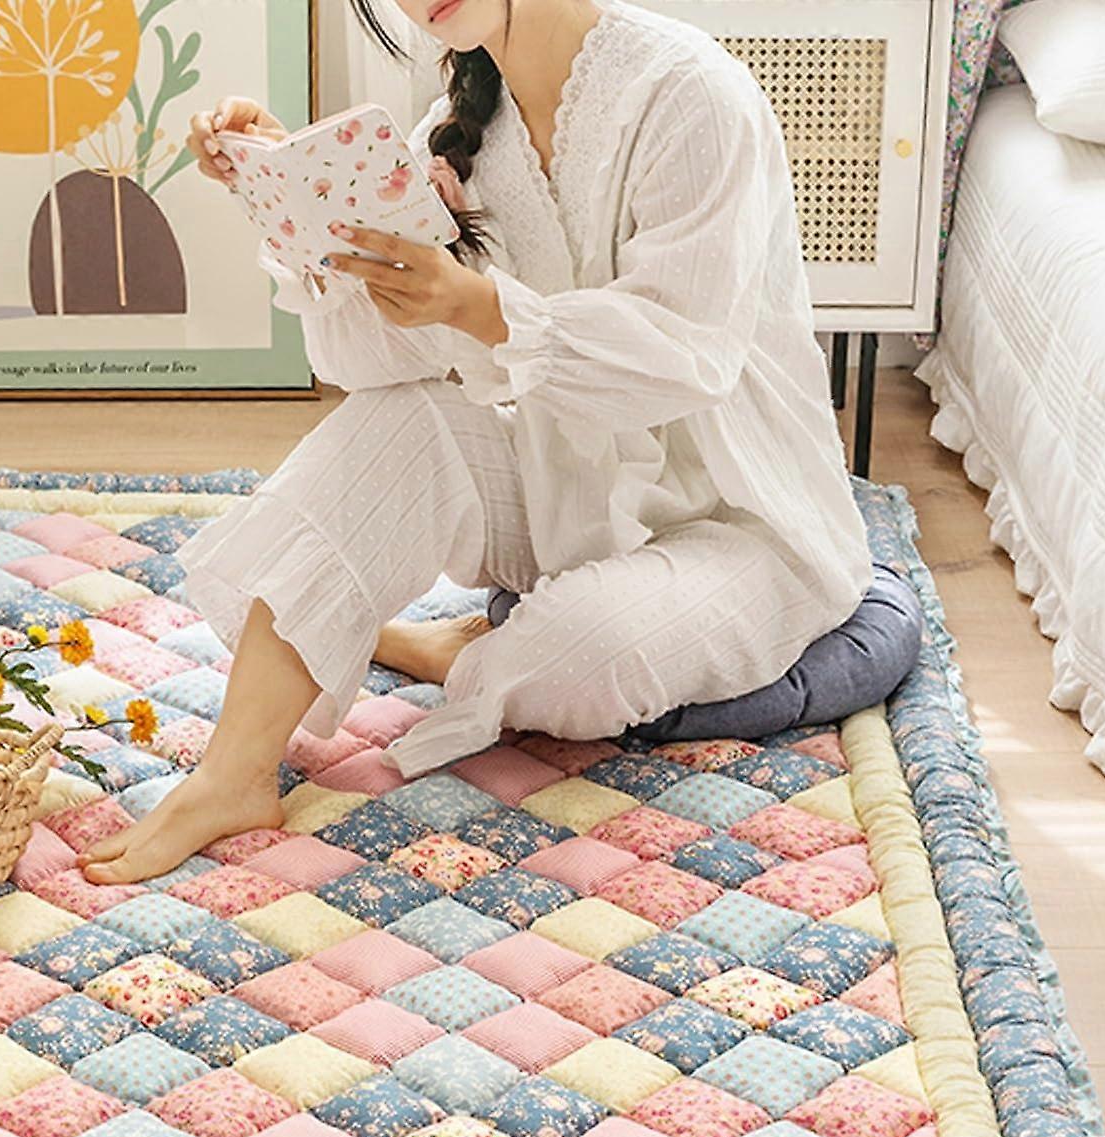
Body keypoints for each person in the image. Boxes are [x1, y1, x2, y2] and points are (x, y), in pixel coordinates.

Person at [79, 0, 873, 886]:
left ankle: (447, 647)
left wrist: (482, 308)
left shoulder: (689, 92)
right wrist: (306, 214)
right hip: (571, 493)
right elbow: (372, 367)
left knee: (575, 656)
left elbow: (689, 354)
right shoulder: (456, 132)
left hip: (741, 522)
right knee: (396, 425)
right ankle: (231, 775)